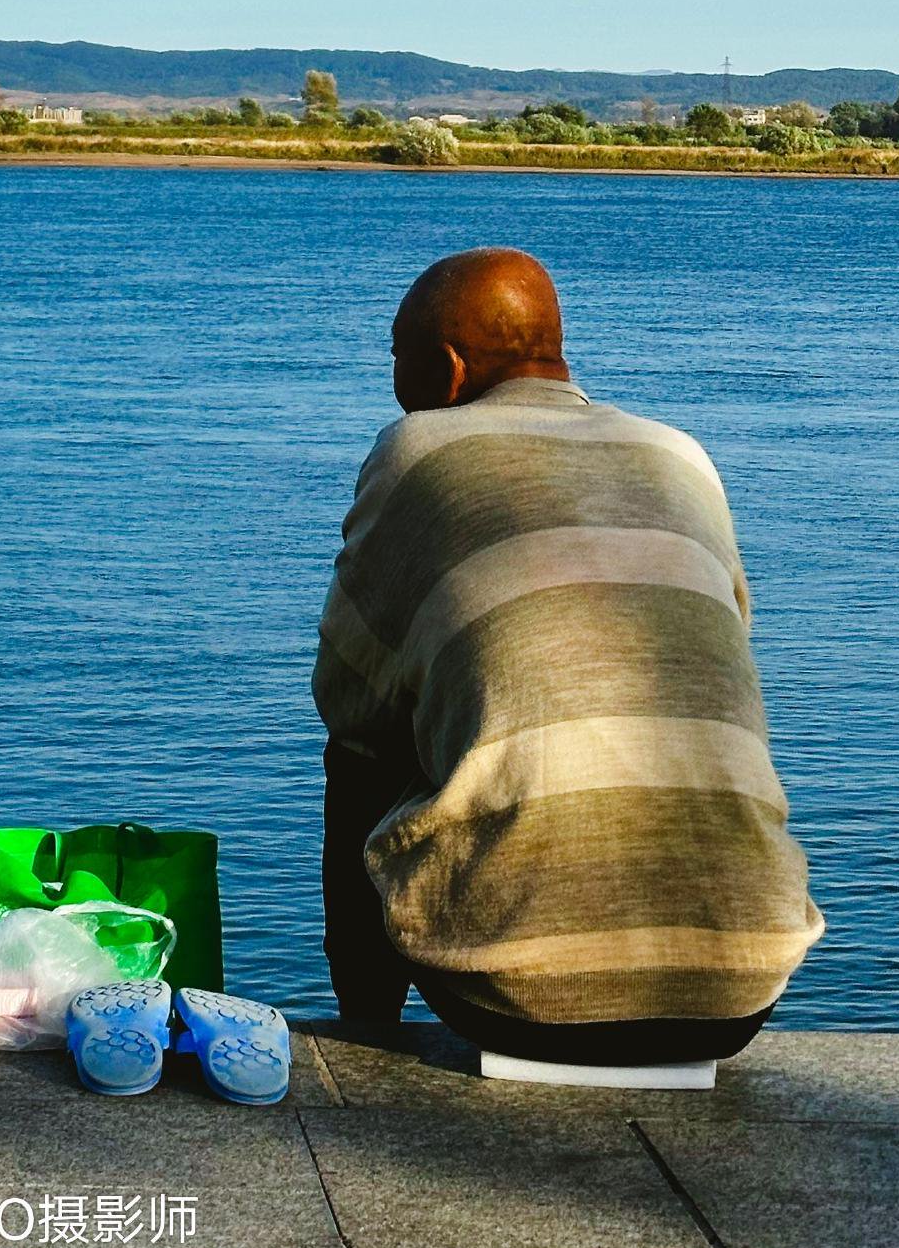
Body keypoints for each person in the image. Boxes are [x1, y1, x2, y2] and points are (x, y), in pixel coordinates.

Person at [315, 246, 821, 1068]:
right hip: (739, 992)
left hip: (514, 996)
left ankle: (365, 1038)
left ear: (444, 368)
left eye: (396, 355)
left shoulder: (417, 450)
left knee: (362, 752)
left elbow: (348, 697)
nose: (392, 379)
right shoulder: (680, 454)